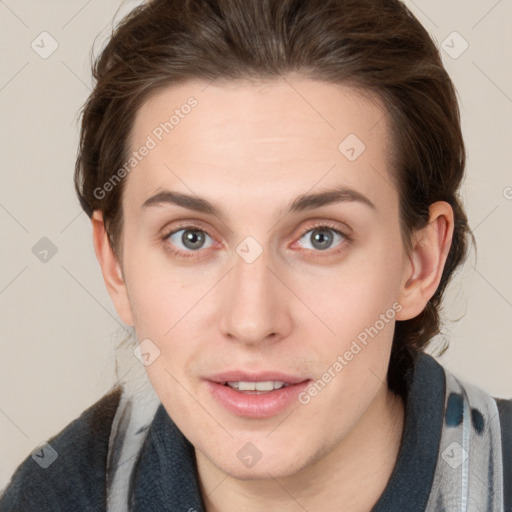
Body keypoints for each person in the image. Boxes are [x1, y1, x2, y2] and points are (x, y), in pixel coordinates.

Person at [0, 0, 510, 510]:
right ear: (115, 265)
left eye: (321, 237)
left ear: (418, 263)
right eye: (191, 238)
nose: (252, 321)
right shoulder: (52, 496)